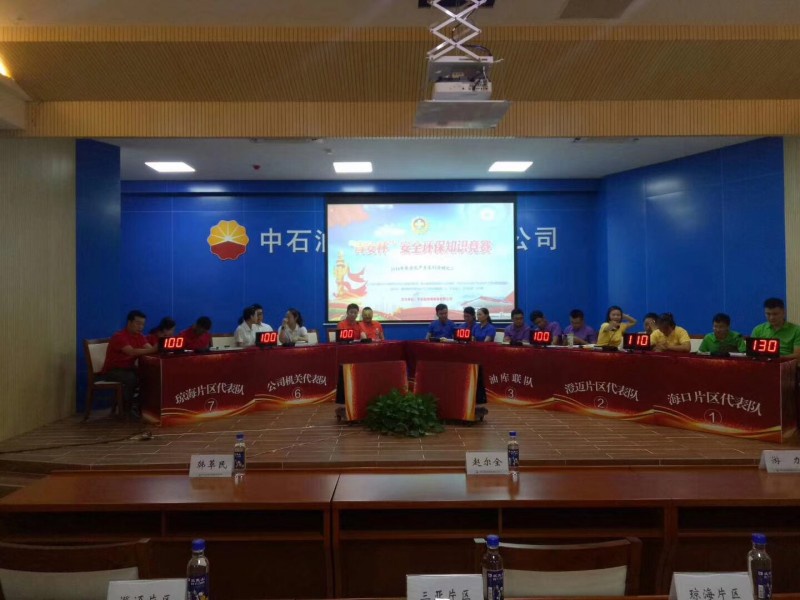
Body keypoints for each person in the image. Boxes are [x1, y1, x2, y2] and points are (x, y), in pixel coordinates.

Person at [101, 310, 156, 417]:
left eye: (143, 324)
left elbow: (150, 349)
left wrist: (158, 349)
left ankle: (141, 407)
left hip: (129, 369)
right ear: (129, 322)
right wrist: (153, 349)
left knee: (148, 376)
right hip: (113, 371)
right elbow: (131, 352)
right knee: (131, 378)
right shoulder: (119, 336)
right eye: (138, 323)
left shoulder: (140, 336)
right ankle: (127, 410)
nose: (141, 327)